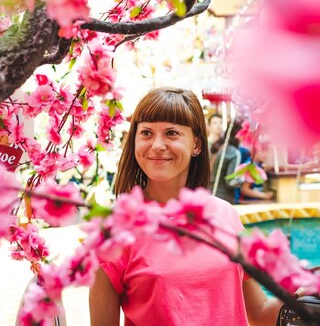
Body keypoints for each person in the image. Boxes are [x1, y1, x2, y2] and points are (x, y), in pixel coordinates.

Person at [89, 87, 281, 326]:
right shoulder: (114, 233)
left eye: (171, 133)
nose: (157, 145)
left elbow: (260, 312)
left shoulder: (225, 214)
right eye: (147, 133)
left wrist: (307, 301)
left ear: (197, 145)